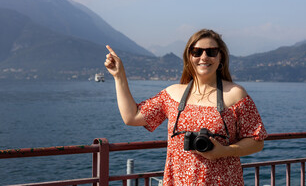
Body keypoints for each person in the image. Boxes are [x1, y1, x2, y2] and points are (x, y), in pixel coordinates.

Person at [104, 29, 267, 185]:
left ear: (220, 57)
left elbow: (257, 141)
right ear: (189, 57)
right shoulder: (172, 94)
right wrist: (119, 76)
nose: (204, 57)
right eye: (197, 52)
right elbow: (131, 117)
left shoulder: (235, 94)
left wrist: (224, 151)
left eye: (211, 52)